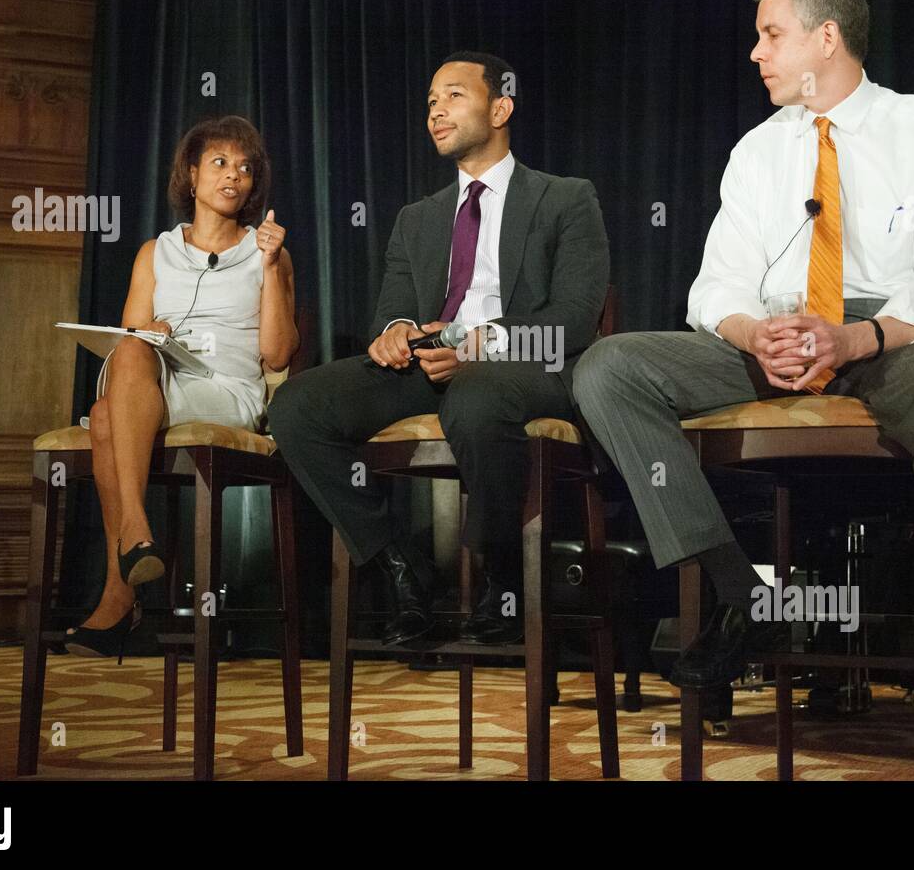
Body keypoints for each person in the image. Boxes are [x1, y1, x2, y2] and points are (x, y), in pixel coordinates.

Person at [573, 0, 914, 779]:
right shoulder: (758, 150)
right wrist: (756, 335)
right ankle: (744, 597)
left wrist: (851, 339)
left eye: (770, 34)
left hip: (894, 343)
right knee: (611, 368)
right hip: (777, 337)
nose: (756, 53)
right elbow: (714, 287)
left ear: (827, 38)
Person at [267, 52, 608, 647]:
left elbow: (573, 322)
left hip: (526, 365)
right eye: (430, 101)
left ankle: (499, 578)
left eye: (452, 96)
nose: (435, 112)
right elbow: (391, 311)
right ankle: (401, 569)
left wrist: (483, 346)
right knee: (297, 406)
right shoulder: (416, 219)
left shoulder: (565, 198)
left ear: (500, 107)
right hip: (432, 362)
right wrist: (395, 331)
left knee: (475, 396)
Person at [65, 115, 298, 659]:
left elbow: (279, 354)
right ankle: (135, 542)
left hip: (230, 391)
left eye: (244, 168)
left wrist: (269, 269)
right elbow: (124, 341)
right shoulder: (154, 252)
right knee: (120, 380)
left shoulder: (270, 252)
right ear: (191, 177)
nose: (233, 176)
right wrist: (152, 335)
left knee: (106, 418)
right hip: (162, 380)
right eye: (219, 163)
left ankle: (124, 576)